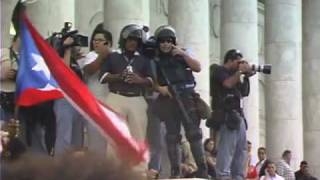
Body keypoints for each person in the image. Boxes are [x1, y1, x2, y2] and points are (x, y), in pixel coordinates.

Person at [151, 25, 208, 178]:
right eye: (162, 41)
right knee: (172, 136)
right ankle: (175, 171)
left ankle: (202, 170)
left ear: (173, 42)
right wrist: (159, 88)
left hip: (187, 97)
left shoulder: (182, 54)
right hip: (169, 98)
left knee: (194, 134)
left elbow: (198, 67)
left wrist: (183, 54)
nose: (165, 44)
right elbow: (151, 80)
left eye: (169, 41)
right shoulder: (155, 59)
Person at [99, 24, 152, 153]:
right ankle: (113, 170)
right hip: (116, 97)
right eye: (129, 40)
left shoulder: (143, 59)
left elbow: (151, 81)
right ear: (123, 40)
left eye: (135, 40)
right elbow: (102, 78)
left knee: (138, 136)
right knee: (115, 135)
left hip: (137, 98)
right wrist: (119, 77)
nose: (132, 43)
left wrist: (139, 80)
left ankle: (138, 171)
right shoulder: (113, 56)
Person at [211, 49, 256, 180]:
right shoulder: (219, 71)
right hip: (227, 117)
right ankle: (223, 176)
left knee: (241, 151)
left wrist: (246, 77)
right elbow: (227, 84)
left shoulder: (235, 75)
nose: (240, 65)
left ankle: (238, 177)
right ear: (229, 60)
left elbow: (244, 92)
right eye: (238, 62)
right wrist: (240, 72)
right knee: (226, 150)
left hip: (238, 117)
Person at [78, 25, 113, 155]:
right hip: (94, 102)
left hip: (111, 102)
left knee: (109, 139)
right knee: (94, 137)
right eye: (94, 40)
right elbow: (89, 70)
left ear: (108, 43)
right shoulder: (91, 55)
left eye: (99, 40)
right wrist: (101, 57)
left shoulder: (116, 55)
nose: (95, 42)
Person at [53, 37, 85, 155]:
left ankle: (74, 168)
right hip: (64, 100)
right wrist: (66, 49)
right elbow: (64, 72)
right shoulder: (58, 59)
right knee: (64, 137)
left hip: (78, 101)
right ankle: (60, 168)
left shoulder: (77, 61)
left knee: (77, 139)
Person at [0, 35, 20, 122]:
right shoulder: (3, 52)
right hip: (2, 92)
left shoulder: (26, 57)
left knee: (12, 123)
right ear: (14, 41)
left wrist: (17, 75)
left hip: (16, 94)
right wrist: (2, 75)